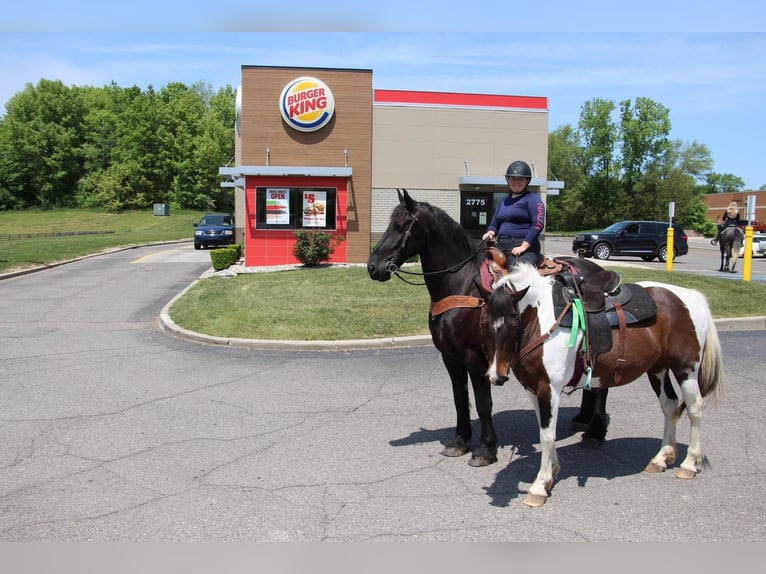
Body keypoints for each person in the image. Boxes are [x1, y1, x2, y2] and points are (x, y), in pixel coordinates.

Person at [481, 160, 545, 268]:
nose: (516, 182)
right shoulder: (503, 202)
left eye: (521, 179)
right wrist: (490, 233)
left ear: (527, 181)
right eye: (513, 178)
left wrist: (523, 246)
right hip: (500, 246)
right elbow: (494, 224)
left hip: (523, 247)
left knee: (518, 274)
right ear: (508, 180)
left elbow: (538, 224)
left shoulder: (533, 198)